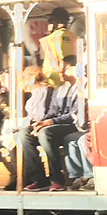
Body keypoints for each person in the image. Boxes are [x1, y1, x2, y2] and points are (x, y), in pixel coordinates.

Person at [20, 57, 81, 191]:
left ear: (76, 69)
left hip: (72, 125)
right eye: (60, 69)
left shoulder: (80, 89)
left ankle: (57, 178)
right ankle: (39, 178)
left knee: (45, 133)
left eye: (65, 69)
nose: (60, 72)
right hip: (55, 124)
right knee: (24, 133)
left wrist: (50, 122)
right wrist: (41, 123)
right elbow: (52, 111)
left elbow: (74, 115)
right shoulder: (59, 90)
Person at [39, 7, 76, 87]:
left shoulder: (47, 40)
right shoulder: (75, 38)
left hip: (51, 81)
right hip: (70, 80)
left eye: (50, 21)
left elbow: (40, 61)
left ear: (56, 22)